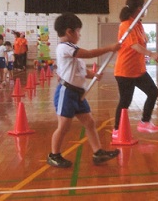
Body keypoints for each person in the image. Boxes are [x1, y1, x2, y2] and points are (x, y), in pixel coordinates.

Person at [47, 12, 121, 168]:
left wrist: (92, 74)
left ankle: (98, 152)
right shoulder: (64, 48)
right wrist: (109, 48)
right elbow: (88, 54)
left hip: (78, 93)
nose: (79, 34)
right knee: (64, 125)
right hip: (66, 93)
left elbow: (80, 70)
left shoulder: (73, 49)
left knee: (89, 122)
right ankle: (54, 155)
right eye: (78, 31)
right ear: (69, 32)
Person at [113, 0, 158, 139]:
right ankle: (117, 130)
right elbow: (134, 45)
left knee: (153, 92)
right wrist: (152, 54)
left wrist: (151, 54)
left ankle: (144, 122)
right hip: (125, 71)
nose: (145, 9)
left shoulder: (138, 24)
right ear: (138, 8)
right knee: (125, 101)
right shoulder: (125, 25)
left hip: (138, 70)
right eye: (144, 6)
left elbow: (140, 43)